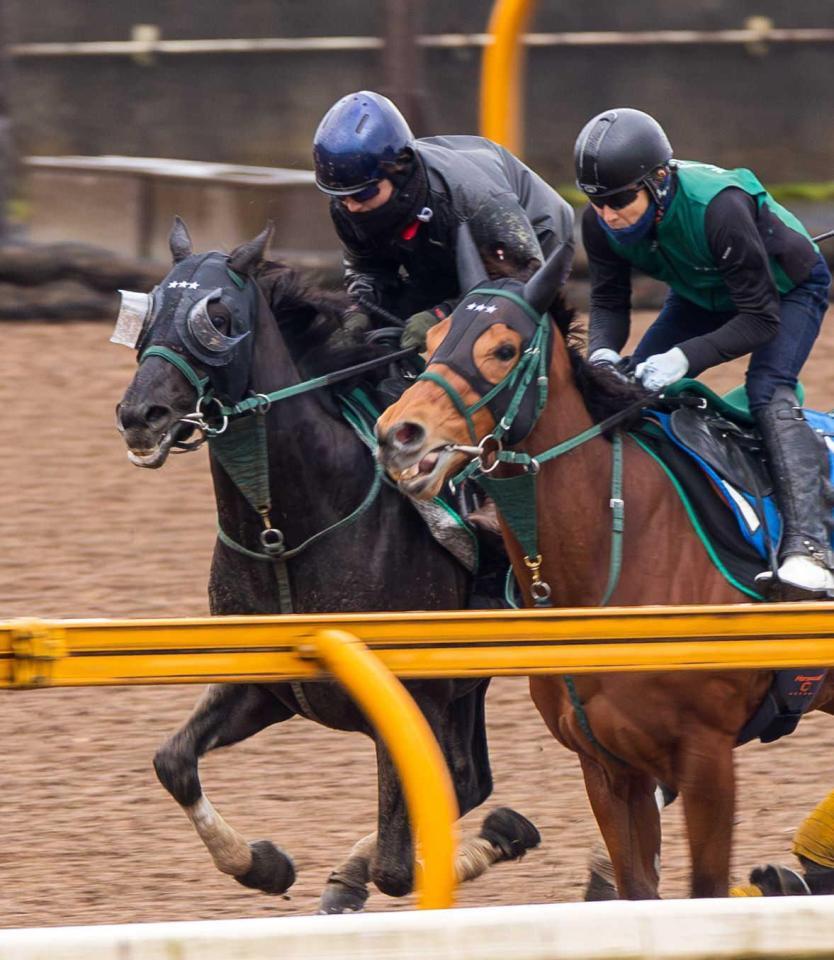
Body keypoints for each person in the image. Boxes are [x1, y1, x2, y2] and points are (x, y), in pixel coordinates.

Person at [576, 107, 833, 596]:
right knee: (624, 391)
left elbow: (759, 319)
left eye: (619, 200)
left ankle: (810, 548)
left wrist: (683, 359)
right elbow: (608, 300)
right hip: (701, 291)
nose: (608, 215)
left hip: (785, 292)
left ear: (657, 181)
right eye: (596, 202)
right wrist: (603, 354)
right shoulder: (601, 221)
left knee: (767, 391)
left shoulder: (721, 209)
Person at [312, 90, 575, 351]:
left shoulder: (474, 199)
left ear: (400, 169)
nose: (352, 206)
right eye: (340, 197)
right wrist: (357, 310)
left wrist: (442, 315)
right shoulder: (346, 202)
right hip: (440, 250)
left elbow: (516, 284)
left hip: (530, 246)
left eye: (364, 193)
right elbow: (368, 270)